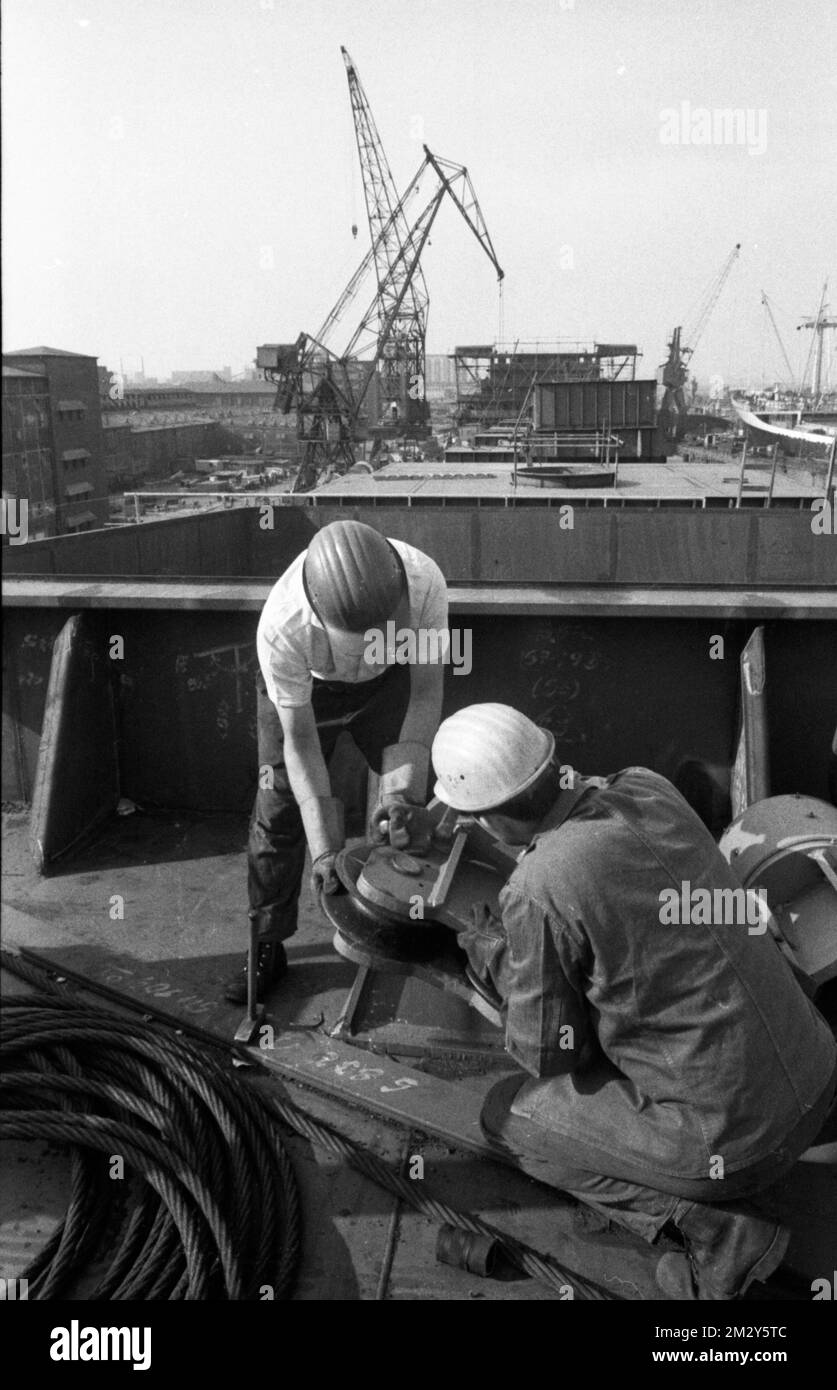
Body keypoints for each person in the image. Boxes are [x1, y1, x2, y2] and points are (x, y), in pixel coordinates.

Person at [430, 703, 837, 1300]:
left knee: (506, 1116)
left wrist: (496, 953)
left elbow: (549, 1055)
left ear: (486, 819)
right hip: (820, 1072)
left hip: (738, 1142)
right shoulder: (648, 786)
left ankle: (720, 1230)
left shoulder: (537, 887)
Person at [225, 520, 446, 1003]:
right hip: (306, 694)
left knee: (411, 808)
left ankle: (405, 920)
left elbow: (426, 696)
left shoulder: (425, 580)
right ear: (323, 626)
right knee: (279, 806)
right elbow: (300, 742)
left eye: (392, 631)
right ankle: (266, 941)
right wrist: (325, 850)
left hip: (388, 687)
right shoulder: (283, 627)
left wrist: (403, 795)